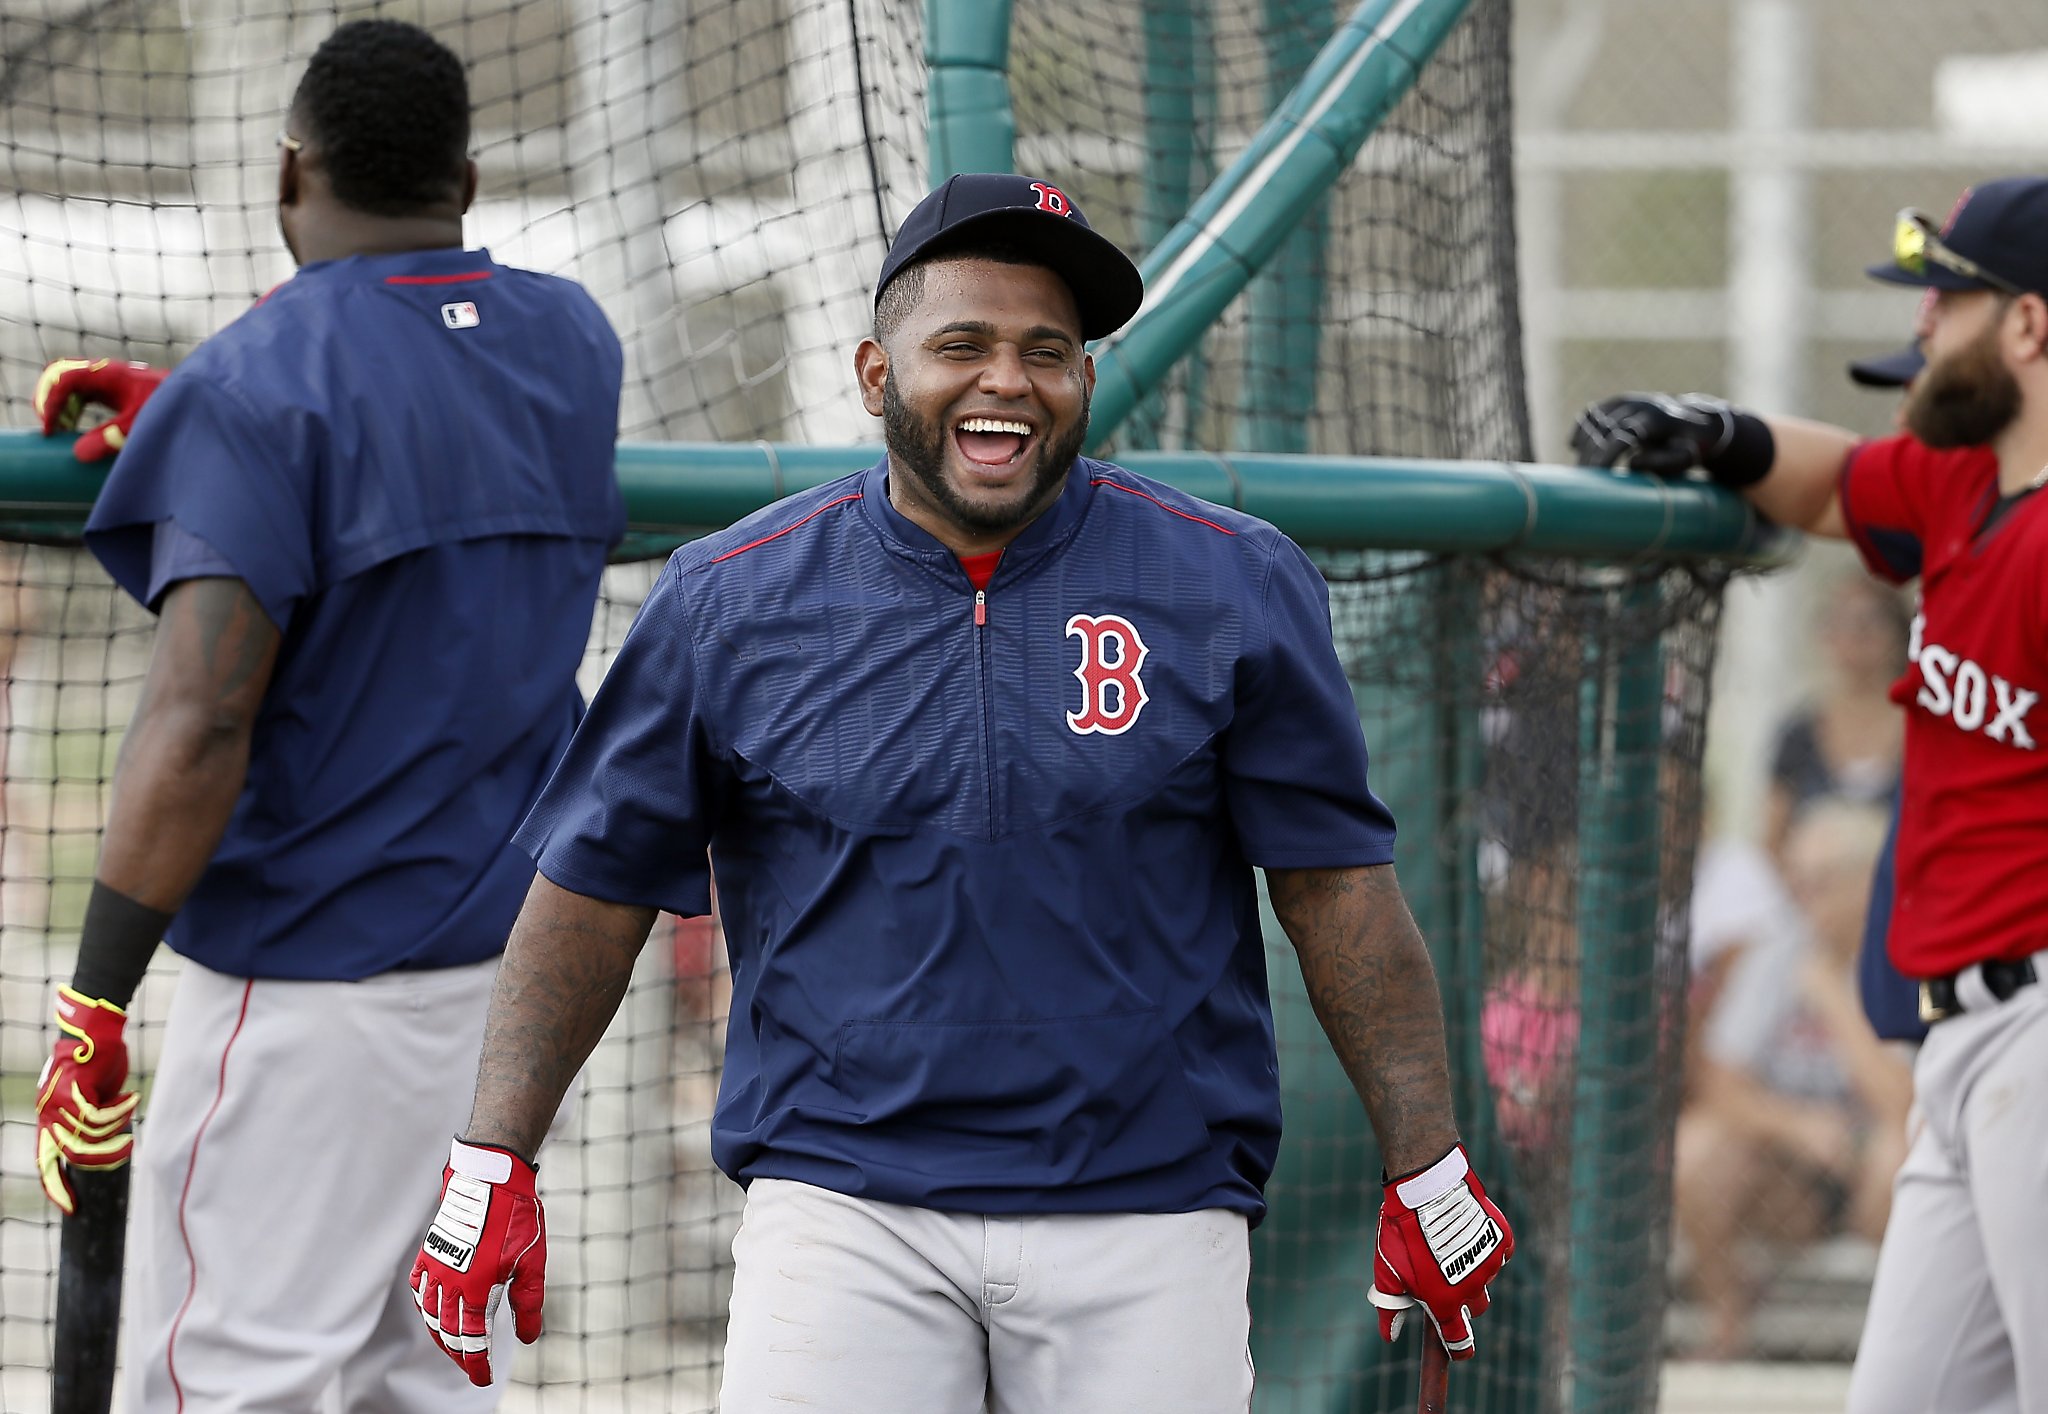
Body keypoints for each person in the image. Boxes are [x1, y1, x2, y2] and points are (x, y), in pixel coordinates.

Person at [408, 173, 1512, 1407]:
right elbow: (593, 891)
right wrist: (492, 1155)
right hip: (843, 1203)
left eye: (1047, 350)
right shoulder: (729, 595)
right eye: (962, 345)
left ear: (1085, 382)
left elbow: (1336, 893)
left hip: (1146, 1199)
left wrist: (1426, 1162)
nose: (1006, 381)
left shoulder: (1233, 580)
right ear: (880, 375)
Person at [29, 20, 624, 1410]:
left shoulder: (259, 382)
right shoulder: (572, 340)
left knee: (235, 1379)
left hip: (313, 995)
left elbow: (199, 724)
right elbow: (423, 411)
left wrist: (96, 997)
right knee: (422, 1381)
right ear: (466, 180)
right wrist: (200, 424)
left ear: (291, 173)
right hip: (517, 993)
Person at [1571, 176, 2048, 1412]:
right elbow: (1836, 483)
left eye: (1946, 299)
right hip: (1964, 1048)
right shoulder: (1965, 488)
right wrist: (1719, 432)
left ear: (2027, 327)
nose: (1924, 329)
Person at [1672, 801, 1911, 1359]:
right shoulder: (1778, 950)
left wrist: (1832, 994)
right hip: (1788, 1170)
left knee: (1902, 1154)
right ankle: (1728, 1316)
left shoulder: (1905, 956)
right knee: (1696, 1148)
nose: (1801, 897)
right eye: (1795, 880)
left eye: (1819, 883)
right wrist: (1797, 1126)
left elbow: (1905, 1103)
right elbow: (1720, 1081)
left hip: (1871, 1165)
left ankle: (1899, 1339)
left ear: (1866, 884)